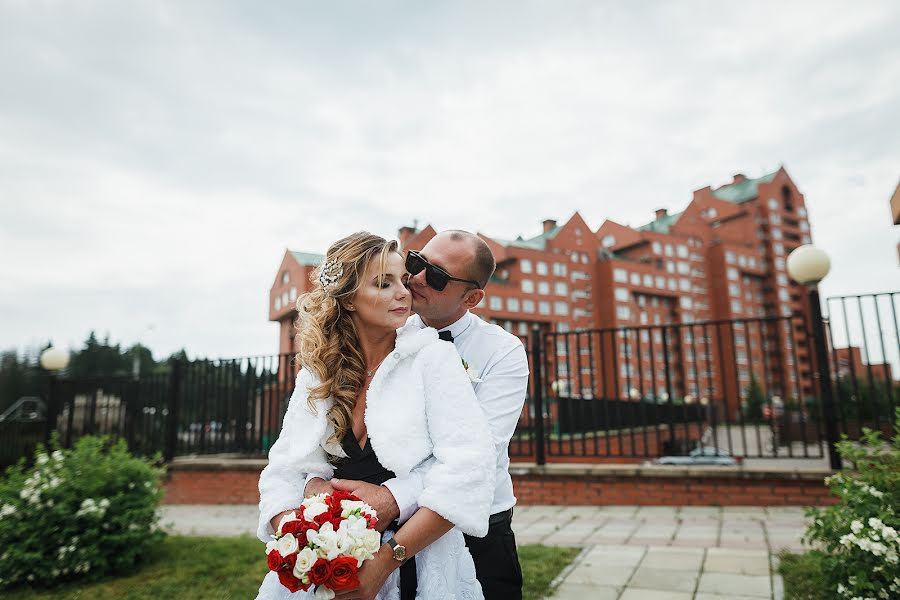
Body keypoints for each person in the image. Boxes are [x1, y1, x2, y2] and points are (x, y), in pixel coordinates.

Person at [255, 232, 495, 600]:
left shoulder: (434, 360)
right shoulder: (318, 374)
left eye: (402, 279)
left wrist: (385, 561)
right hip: (321, 574)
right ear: (349, 298)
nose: (404, 292)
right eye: (384, 283)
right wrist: (304, 541)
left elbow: (468, 472)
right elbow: (282, 471)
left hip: (415, 564)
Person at [314, 230, 529, 599]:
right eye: (415, 262)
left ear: (472, 297)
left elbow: (479, 454)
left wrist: (391, 497)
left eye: (438, 275)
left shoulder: (503, 352)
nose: (415, 279)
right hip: (386, 527)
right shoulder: (388, 330)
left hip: (475, 527)